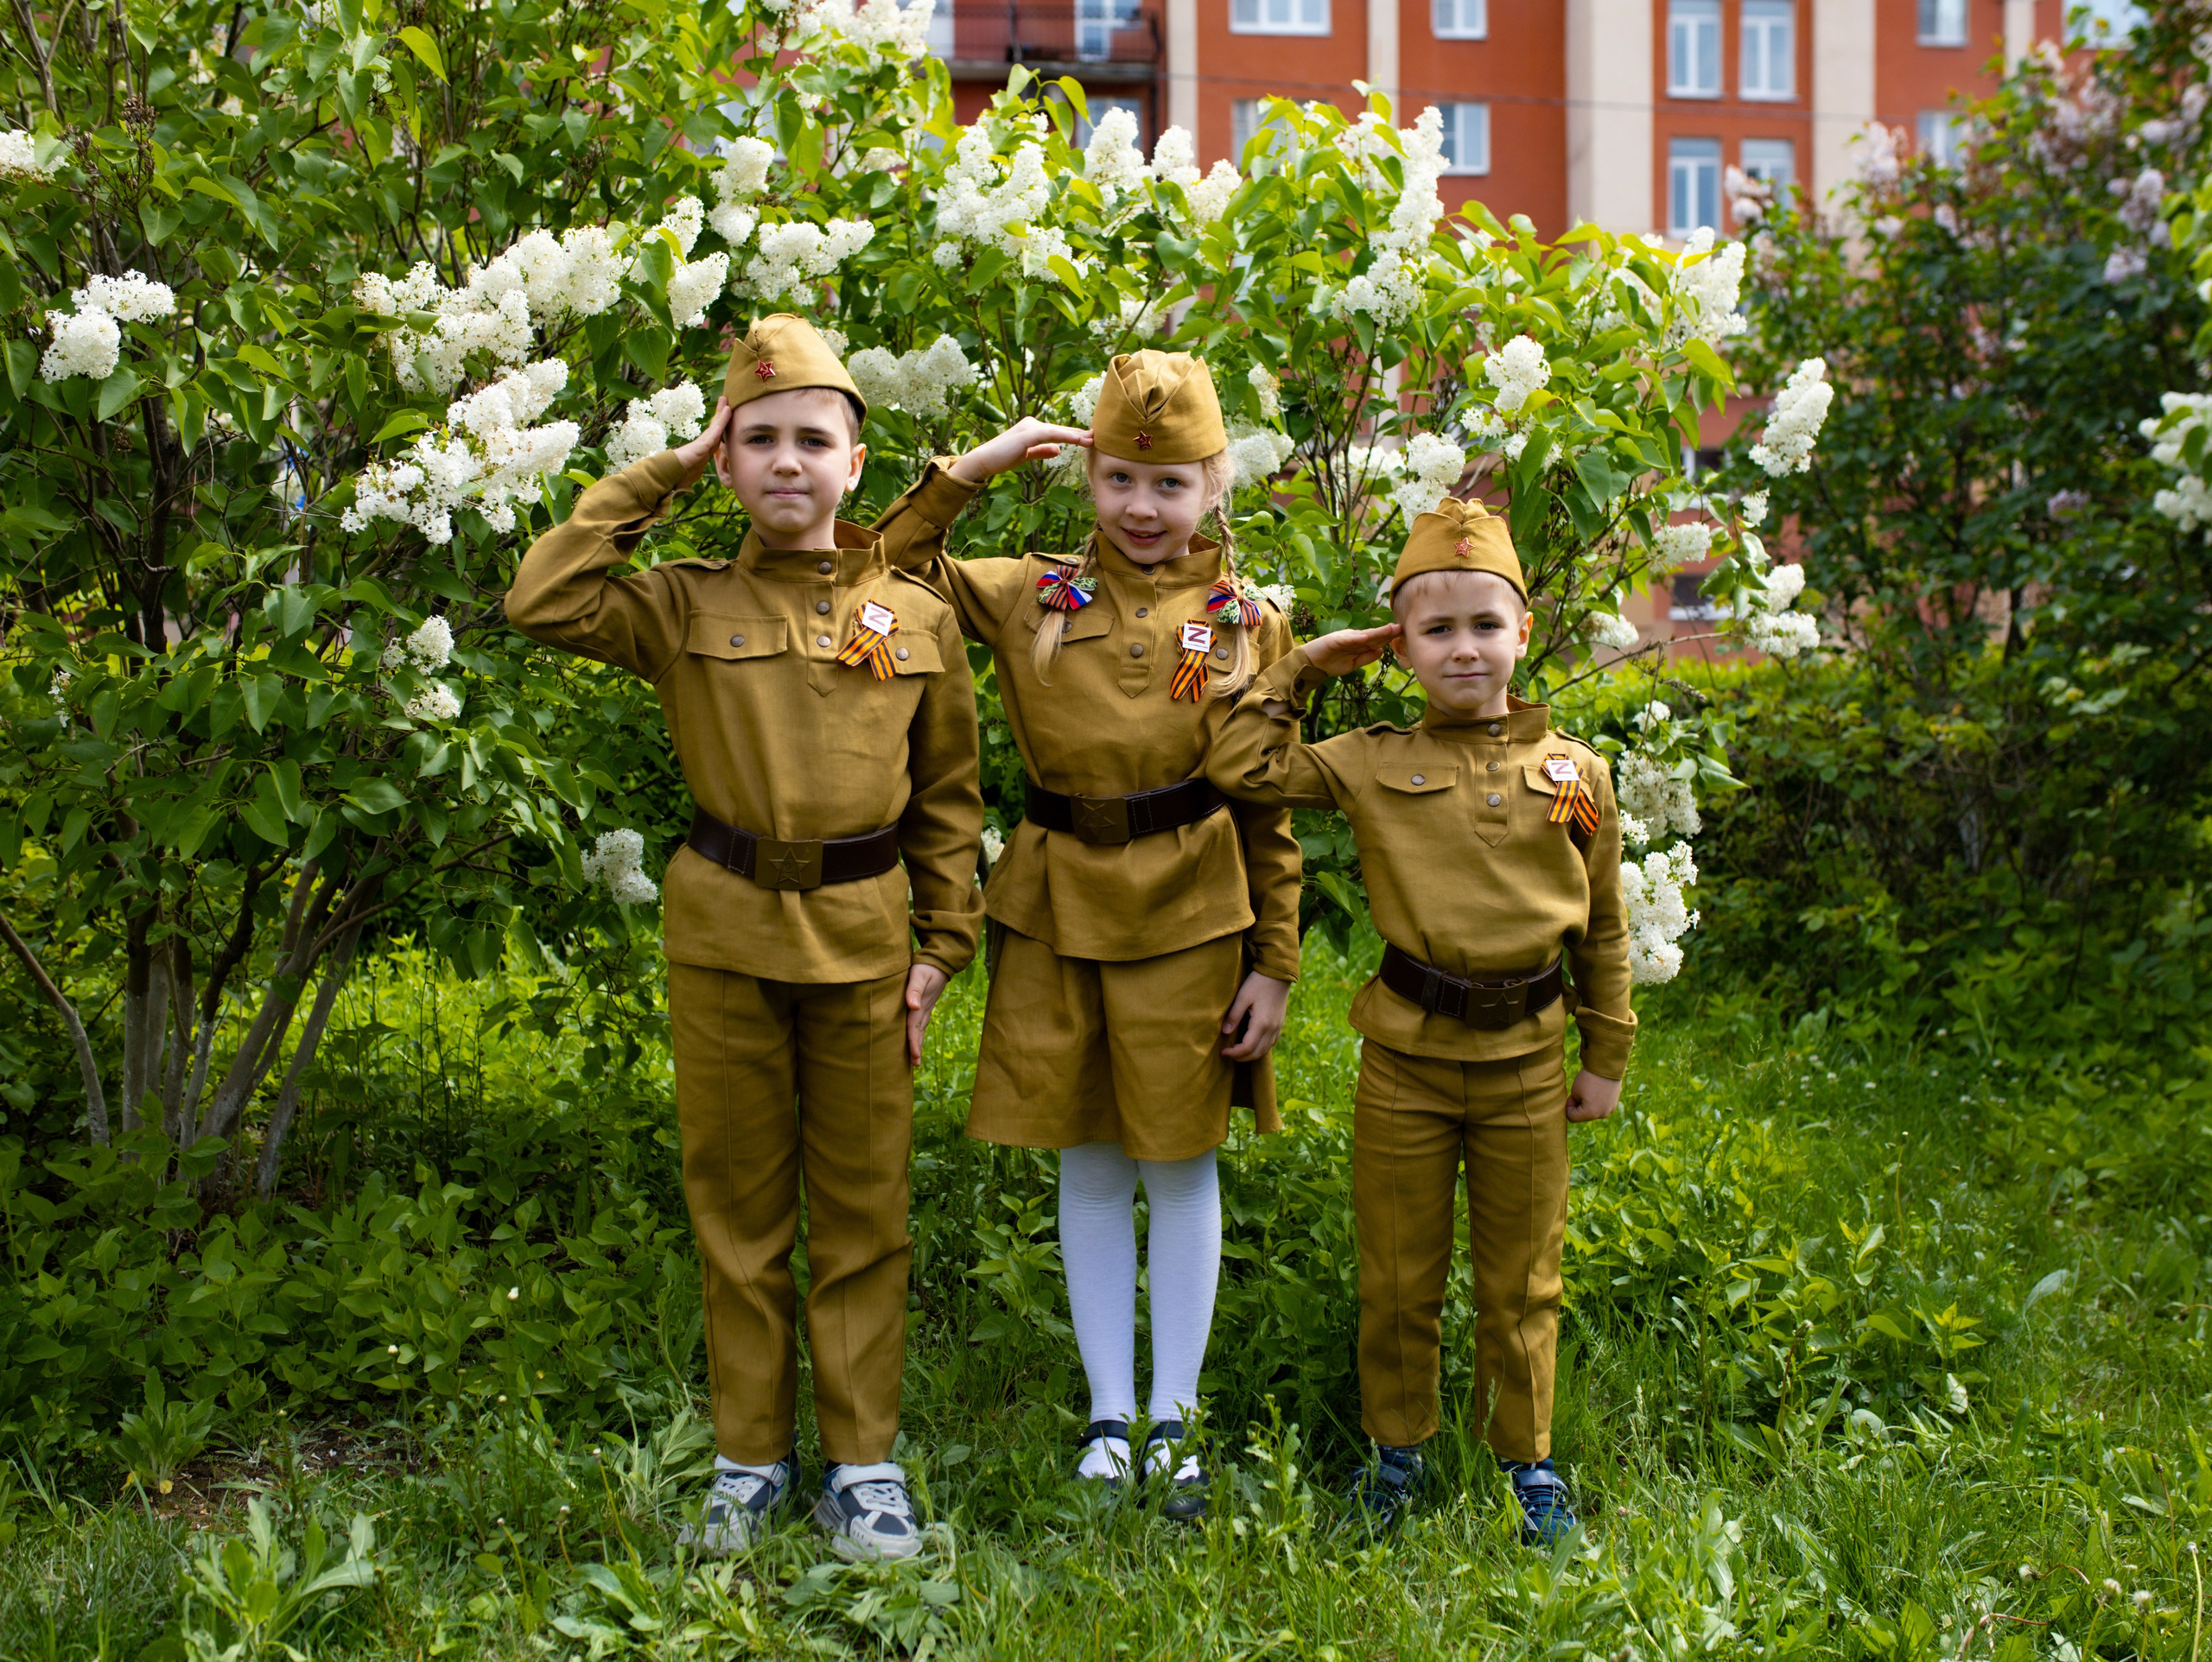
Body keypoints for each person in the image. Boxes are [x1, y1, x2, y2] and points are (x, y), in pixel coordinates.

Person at [505, 314, 985, 1562]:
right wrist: (661, 469)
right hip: (723, 933)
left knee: (866, 1207)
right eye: (755, 439)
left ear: (855, 461)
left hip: (870, 940)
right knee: (737, 1209)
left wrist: (944, 946)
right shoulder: (677, 604)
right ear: (727, 461)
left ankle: (864, 1465)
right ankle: (750, 1458)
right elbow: (541, 596)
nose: (785, 461)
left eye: (811, 439)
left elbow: (948, 802)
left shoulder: (917, 618)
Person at [863, 350, 1302, 1517]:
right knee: (1091, 1159)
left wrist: (1276, 960)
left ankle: (1179, 1419)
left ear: (1215, 485)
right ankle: (1111, 1414)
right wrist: (975, 468)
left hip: (1195, 915)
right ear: (1089, 480)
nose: (1142, 510)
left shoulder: (1248, 624)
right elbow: (877, 568)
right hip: (1057, 905)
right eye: (1118, 482)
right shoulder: (1029, 594)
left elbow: (1267, 807)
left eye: (1168, 485)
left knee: (1179, 1160)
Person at [1202, 496, 1635, 1544]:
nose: (1462, 649)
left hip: (1529, 1059)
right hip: (1403, 1060)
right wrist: (1303, 668)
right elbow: (1239, 766)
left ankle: (1524, 1464)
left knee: (1522, 1278)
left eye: (1485, 625)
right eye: (1434, 630)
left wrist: (1605, 1051)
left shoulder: (1575, 774)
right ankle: (1396, 1456)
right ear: (1401, 647)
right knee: (1397, 1273)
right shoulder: (1366, 758)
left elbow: (1605, 926)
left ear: (1522, 633)